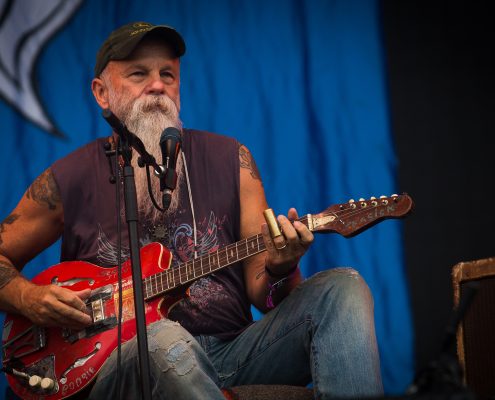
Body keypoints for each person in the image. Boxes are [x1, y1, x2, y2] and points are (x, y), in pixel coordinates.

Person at [0, 22, 383, 399]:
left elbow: (265, 297)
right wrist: (26, 298)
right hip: (119, 366)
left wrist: (281, 265)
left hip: (230, 353)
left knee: (342, 288)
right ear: (101, 93)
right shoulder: (69, 177)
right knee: (163, 338)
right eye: (138, 74)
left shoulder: (232, 160)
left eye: (168, 74)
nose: (157, 85)